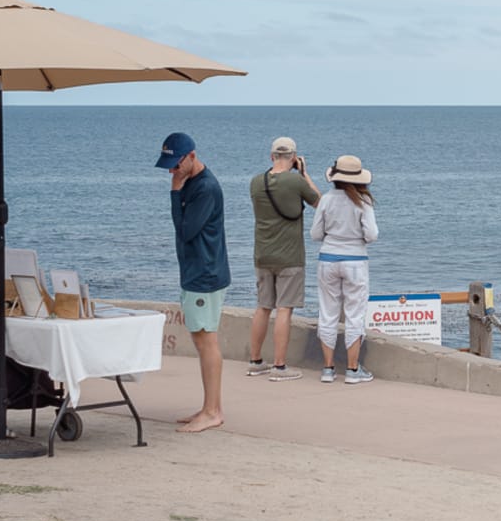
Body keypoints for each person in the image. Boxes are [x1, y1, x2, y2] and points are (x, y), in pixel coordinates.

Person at [158, 131, 229, 434]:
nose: (173, 171)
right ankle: (209, 407)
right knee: (202, 340)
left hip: (205, 274)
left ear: (191, 156)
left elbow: (185, 230)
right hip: (196, 271)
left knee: (206, 340)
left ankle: (212, 411)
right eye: (169, 166)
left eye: (176, 165)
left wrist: (175, 193)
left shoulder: (205, 188)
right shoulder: (192, 183)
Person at [247, 137, 320, 380]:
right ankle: (279, 367)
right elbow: (319, 202)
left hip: (263, 253)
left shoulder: (256, 182)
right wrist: (304, 173)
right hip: (289, 255)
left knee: (263, 307)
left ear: (271, 157)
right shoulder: (296, 180)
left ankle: (255, 361)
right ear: (294, 157)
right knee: (284, 309)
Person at [312, 154, 378, 384]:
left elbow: (315, 235)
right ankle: (352, 370)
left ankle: (328, 369)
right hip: (355, 261)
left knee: (328, 313)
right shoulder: (363, 202)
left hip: (328, 259)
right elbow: (371, 235)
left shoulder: (326, 200)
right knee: (355, 314)